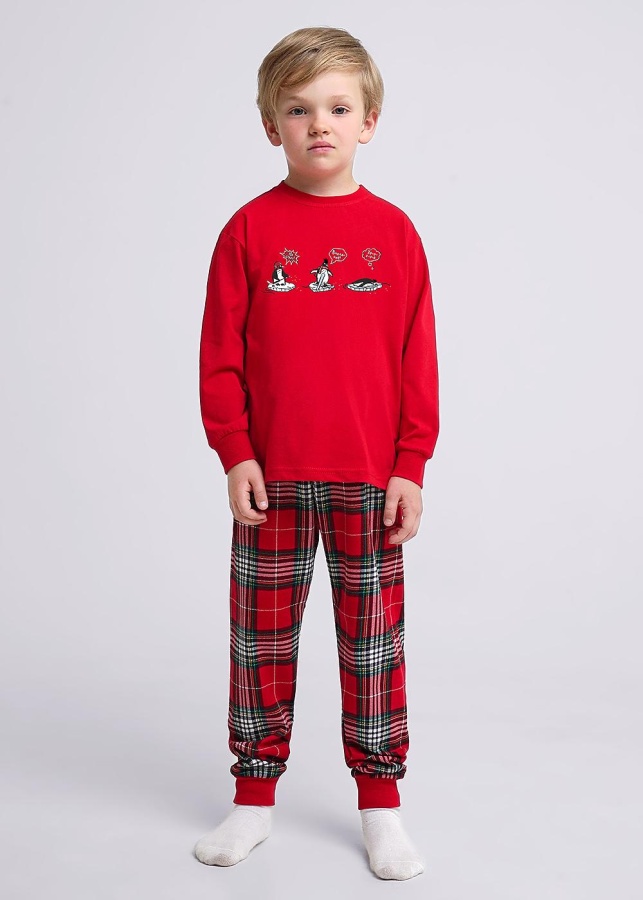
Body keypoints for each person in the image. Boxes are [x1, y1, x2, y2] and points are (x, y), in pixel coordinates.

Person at [194, 25, 440, 882]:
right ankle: (252, 799)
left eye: (337, 108)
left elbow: (416, 360)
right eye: (298, 110)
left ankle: (380, 807)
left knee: (371, 644)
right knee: (259, 642)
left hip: (370, 480)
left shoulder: (394, 234)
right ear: (272, 126)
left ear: (368, 121)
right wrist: (234, 453)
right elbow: (220, 358)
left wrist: (410, 465)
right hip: (272, 479)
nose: (319, 125)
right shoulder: (247, 231)